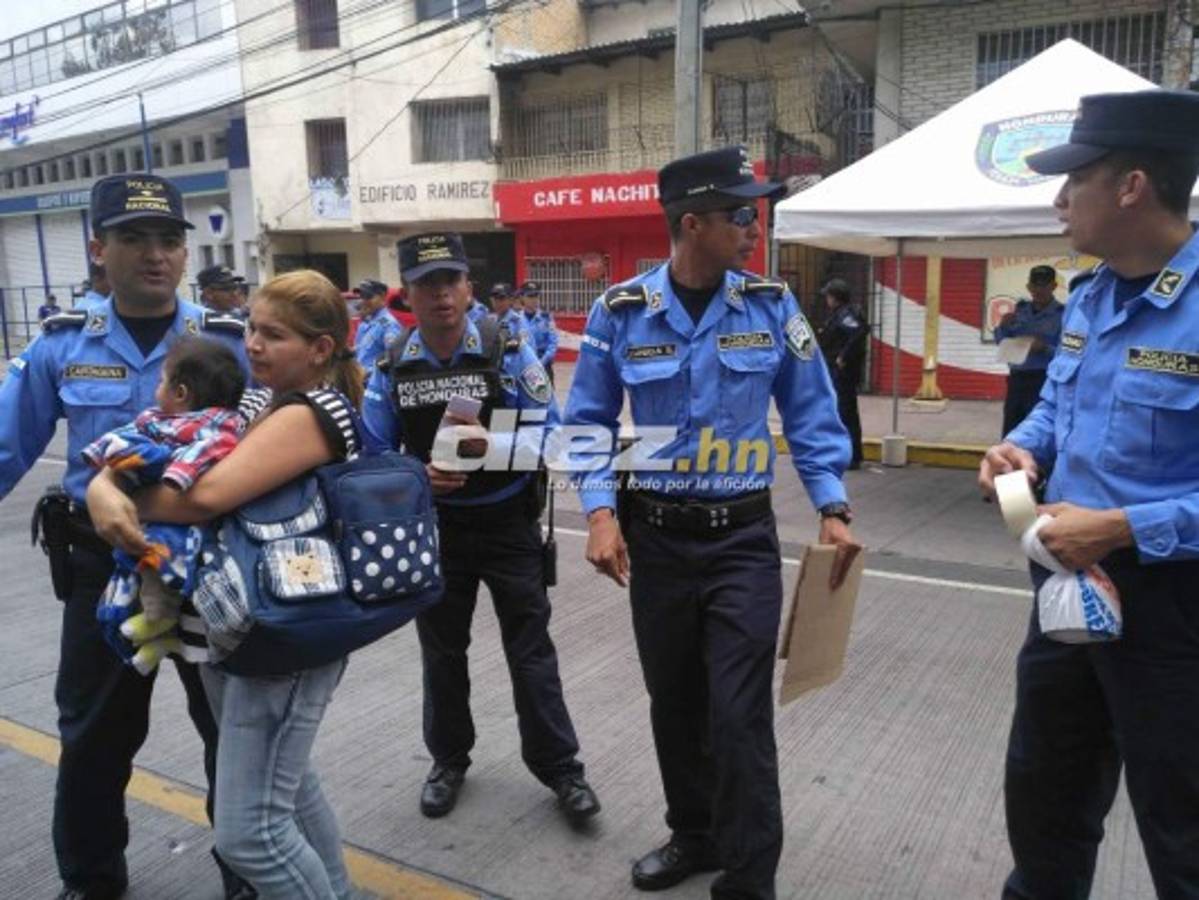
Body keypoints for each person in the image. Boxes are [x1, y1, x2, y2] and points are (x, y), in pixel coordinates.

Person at [564, 146, 859, 899]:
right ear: (692, 224)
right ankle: (694, 836)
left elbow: (811, 411)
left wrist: (831, 506)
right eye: (740, 215)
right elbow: (587, 422)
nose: (754, 228)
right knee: (675, 702)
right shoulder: (619, 312)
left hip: (741, 542)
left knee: (737, 713)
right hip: (658, 540)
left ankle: (751, 876)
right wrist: (599, 513)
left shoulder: (770, 305)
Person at [0, 173, 252, 900]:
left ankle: (247, 874)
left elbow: (280, 437)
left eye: (169, 239)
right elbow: (6, 446)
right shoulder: (62, 345)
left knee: (234, 733)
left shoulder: (227, 342)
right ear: (97, 250)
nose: (155, 254)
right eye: (134, 238)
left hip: (210, 569)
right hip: (101, 568)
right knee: (93, 737)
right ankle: (91, 880)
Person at [978, 89, 1199, 900]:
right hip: (1066, 580)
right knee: (1044, 791)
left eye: (1075, 179)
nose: (1059, 200)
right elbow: (1055, 405)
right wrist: (1022, 447)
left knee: (1181, 823)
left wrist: (1121, 526)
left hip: (1173, 605)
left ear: (1131, 186)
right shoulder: (1092, 295)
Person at [88, 269, 366, 899]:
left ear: (320, 349)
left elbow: (203, 497)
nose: (254, 345)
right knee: (291, 794)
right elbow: (158, 439)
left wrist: (107, 494)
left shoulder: (315, 412)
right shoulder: (256, 404)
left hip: (285, 635)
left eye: (274, 335)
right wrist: (105, 483)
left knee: (250, 835)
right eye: (251, 329)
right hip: (234, 625)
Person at [362, 232, 600, 825]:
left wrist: (491, 448)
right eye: (427, 284)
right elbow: (370, 455)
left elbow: (553, 434)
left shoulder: (509, 349)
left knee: (531, 652)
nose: (442, 295)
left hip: (508, 524)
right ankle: (448, 761)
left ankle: (561, 768)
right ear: (407, 294)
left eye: (451, 281)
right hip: (437, 530)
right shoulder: (390, 364)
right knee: (442, 654)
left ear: (468, 288)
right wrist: (416, 474)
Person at [82, 336, 247, 675]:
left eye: (161, 381)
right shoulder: (156, 419)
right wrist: (104, 467)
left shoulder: (220, 423)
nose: (156, 389)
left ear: (181, 393)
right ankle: (154, 632)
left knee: (168, 580)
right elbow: (126, 438)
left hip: (189, 536)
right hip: (112, 531)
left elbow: (207, 456)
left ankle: (159, 621)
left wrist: (174, 476)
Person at [992, 265, 1063, 437]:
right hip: (1017, 380)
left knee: (1038, 431)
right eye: (1035, 285)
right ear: (1029, 287)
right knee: (1011, 429)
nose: (1039, 290)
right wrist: (1003, 326)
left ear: (1053, 286)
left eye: (1044, 285)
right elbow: (1002, 343)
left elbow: (1069, 353)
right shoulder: (1020, 311)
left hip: (1044, 380)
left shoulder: (1063, 314)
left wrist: (1044, 348)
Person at [816, 278, 867, 469]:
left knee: (846, 414)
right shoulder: (838, 314)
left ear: (836, 297)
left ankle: (852, 457)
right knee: (841, 413)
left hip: (843, 375)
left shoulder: (846, 314)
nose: (826, 300)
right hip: (837, 373)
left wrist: (843, 356)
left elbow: (859, 332)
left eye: (828, 296)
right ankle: (846, 454)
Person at [352, 278, 403, 371]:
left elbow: (393, 358)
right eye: (362, 296)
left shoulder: (388, 324)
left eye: (368, 297)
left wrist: (369, 372)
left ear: (382, 297)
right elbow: (361, 352)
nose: (363, 301)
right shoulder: (366, 323)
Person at [520, 280, 559, 380]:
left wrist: (541, 362)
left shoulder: (546, 318)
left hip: (543, 364)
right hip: (522, 365)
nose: (534, 299)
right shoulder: (516, 319)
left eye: (536, 296)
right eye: (530, 296)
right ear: (522, 298)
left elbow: (553, 343)